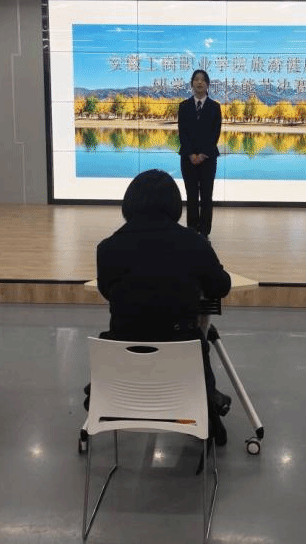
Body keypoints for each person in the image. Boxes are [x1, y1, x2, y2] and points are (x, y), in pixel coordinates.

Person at [96, 169, 232, 443]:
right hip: (184, 372)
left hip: (123, 377)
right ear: (174, 205)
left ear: (129, 203)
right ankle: (208, 410)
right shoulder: (195, 243)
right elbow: (221, 287)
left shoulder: (107, 248)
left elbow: (108, 292)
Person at [177, 69, 222, 238]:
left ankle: (204, 233)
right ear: (192, 84)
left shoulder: (215, 107)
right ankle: (192, 231)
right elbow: (182, 133)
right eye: (196, 79)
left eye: (203, 80)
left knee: (206, 196)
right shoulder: (183, 106)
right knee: (191, 196)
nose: (199, 82)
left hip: (208, 159)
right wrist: (191, 154)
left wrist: (202, 155)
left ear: (208, 84)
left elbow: (215, 134)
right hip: (187, 159)